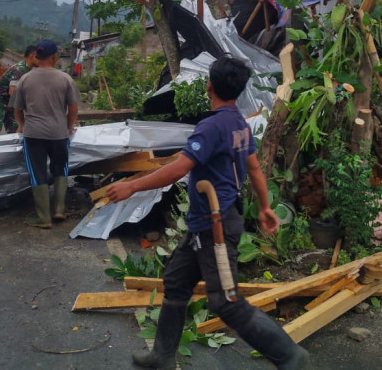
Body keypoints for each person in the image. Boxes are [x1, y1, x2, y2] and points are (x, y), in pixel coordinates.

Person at [107, 56, 310, 370]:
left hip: (214, 227)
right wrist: (266, 207)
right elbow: (254, 168)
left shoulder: (213, 126)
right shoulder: (239, 124)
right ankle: (162, 356)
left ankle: (291, 356)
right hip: (208, 223)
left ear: (209, 86)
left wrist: (132, 187)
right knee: (175, 281)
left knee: (225, 302)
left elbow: (179, 168)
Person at [10, 40, 79, 228]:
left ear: (37, 57)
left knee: (37, 173)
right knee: (60, 168)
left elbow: (17, 108)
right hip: (59, 134)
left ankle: (43, 218)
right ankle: (59, 210)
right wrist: (69, 126)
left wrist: (21, 125)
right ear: (54, 57)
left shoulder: (25, 79)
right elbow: (73, 108)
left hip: (33, 134)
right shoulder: (65, 79)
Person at [0, 45, 37, 136]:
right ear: (32, 56)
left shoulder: (27, 70)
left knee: (15, 129)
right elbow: (13, 92)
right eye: (39, 56)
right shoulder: (20, 69)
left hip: (9, 101)